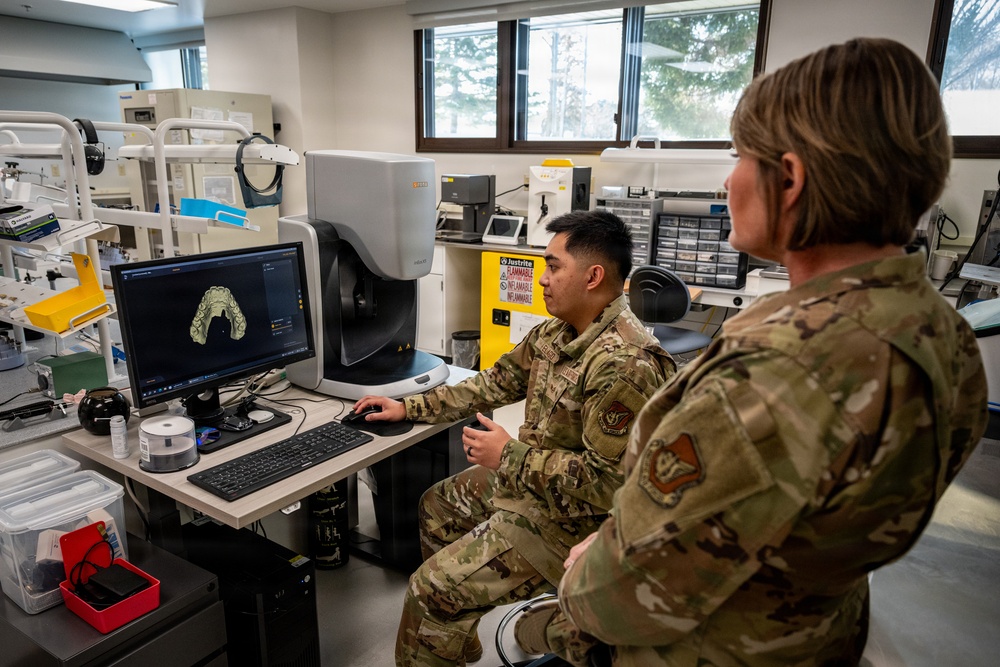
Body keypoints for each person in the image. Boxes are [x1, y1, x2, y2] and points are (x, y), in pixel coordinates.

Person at [513, 37, 989, 666]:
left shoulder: (774, 370)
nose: (728, 178)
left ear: (789, 179)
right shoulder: (941, 331)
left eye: (740, 157)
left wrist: (585, 572)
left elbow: (632, 594)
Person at [351, 209, 675, 667]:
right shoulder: (558, 331)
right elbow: (492, 384)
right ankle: (454, 636)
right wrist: (410, 407)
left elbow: (608, 484)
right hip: (537, 488)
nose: (542, 278)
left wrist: (509, 455)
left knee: (429, 590)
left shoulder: (625, 363)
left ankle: (445, 613)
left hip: (577, 524)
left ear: (593, 277)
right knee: (437, 507)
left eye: (553, 267)